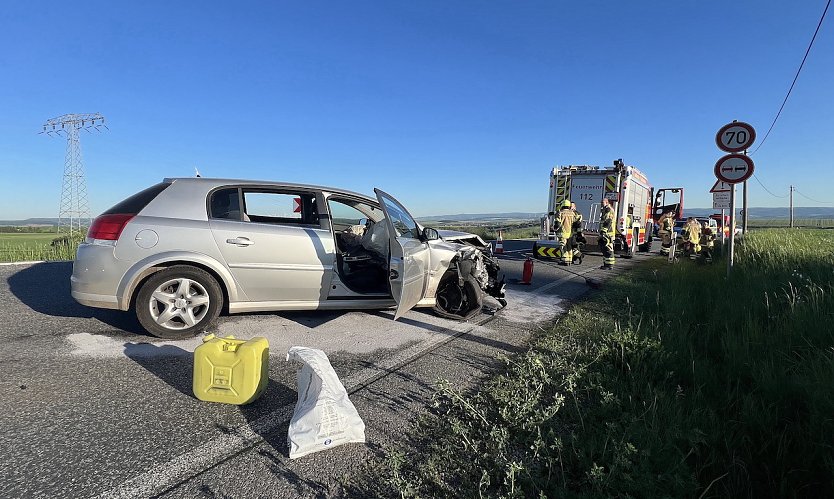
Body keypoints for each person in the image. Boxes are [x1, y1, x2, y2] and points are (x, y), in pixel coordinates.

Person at [555, 199, 574, 265]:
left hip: (562, 233)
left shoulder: (560, 212)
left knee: (563, 246)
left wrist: (555, 229)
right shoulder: (572, 213)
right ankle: (570, 260)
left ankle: (565, 260)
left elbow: (557, 223)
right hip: (570, 233)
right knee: (569, 247)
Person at [598, 198, 615, 269]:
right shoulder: (605, 210)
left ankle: (609, 265)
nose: (601, 203)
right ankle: (606, 264)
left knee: (608, 249)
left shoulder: (609, 210)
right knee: (604, 249)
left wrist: (603, 231)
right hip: (606, 233)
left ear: (607, 202)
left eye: (603, 202)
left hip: (608, 233)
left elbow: (608, 221)